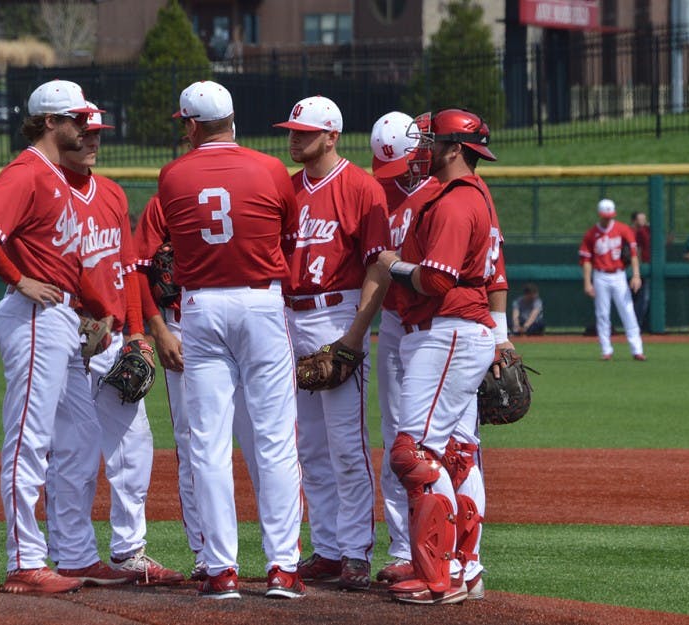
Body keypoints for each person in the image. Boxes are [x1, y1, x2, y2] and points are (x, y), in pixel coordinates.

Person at [158, 80, 305, 600]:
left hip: (200, 307)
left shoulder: (173, 175)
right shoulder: (269, 169)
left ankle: (221, 569)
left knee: (209, 444)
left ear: (192, 126)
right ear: (233, 120)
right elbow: (286, 232)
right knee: (274, 441)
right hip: (263, 301)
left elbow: (172, 238)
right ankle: (283, 568)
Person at [0, 79, 100, 594]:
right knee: (29, 440)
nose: (84, 127)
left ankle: (78, 555)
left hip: (62, 315)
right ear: (49, 122)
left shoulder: (57, 176)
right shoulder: (28, 171)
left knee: (82, 436)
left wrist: (99, 312)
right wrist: (17, 279)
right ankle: (25, 561)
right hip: (34, 317)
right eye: (76, 119)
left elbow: (63, 259)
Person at [44, 105, 183, 587]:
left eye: (98, 133)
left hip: (111, 343)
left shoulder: (112, 194)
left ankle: (128, 551)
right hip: (66, 341)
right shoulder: (47, 194)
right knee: (73, 450)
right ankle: (68, 552)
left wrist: (137, 335)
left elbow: (126, 271)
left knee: (134, 446)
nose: (93, 142)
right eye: (85, 133)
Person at [375, 108, 501, 605]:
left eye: (431, 141)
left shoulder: (454, 203)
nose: (422, 149)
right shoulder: (475, 194)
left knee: (415, 452)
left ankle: (438, 575)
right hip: (460, 330)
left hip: (447, 329)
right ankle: (466, 568)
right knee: (456, 452)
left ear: (454, 149)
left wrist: (393, 264)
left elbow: (436, 280)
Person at [273, 95, 384, 591]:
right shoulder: (286, 188)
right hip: (289, 316)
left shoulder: (362, 188)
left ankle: (357, 551)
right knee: (309, 447)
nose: (294, 138)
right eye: (292, 130)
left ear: (331, 136)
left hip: (337, 313)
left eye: (304, 131)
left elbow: (380, 266)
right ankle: (328, 547)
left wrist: (354, 335)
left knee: (345, 444)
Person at [132, 192, 261, 582]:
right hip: (182, 324)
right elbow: (139, 266)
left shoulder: (256, 184)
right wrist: (155, 329)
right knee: (193, 444)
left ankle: (283, 556)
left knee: (265, 441)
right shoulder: (165, 198)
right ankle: (208, 554)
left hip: (253, 314)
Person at [579, 198, 646, 361]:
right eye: (605, 215)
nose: (608, 218)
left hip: (619, 275)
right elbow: (586, 260)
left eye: (610, 215)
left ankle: (637, 350)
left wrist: (636, 275)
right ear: (600, 214)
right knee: (602, 314)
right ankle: (606, 350)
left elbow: (633, 254)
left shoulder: (623, 229)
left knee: (628, 311)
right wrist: (587, 282)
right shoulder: (591, 234)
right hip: (600, 275)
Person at [630, 211, 651, 332]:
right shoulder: (636, 232)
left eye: (644, 219)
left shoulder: (647, 231)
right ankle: (635, 325)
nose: (644, 221)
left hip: (647, 268)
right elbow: (636, 251)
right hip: (638, 268)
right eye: (641, 219)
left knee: (644, 298)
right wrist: (637, 268)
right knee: (640, 298)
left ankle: (640, 325)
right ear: (635, 220)